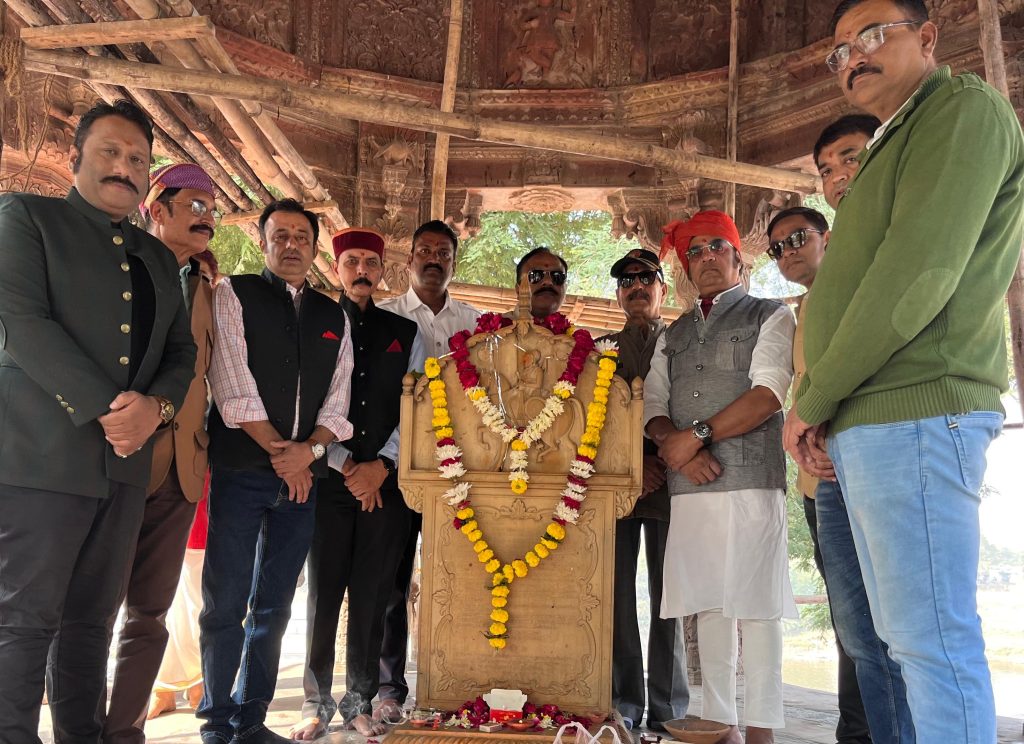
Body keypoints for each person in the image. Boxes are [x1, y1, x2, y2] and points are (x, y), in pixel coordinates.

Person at [785, 1, 1024, 741]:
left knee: (931, 641)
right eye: (839, 51)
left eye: (870, 35)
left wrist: (815, 398)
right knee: (902, 639)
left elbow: (918, 277)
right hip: (877, 415)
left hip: (915, 408)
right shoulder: (897, 138)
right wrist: (826, 405)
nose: (852, 57)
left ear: (927, 37)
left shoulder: (959, 110)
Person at [0, 99, 197, 744]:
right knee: (25, 621)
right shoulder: (27, 217)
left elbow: (181, 354)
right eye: (110, 151)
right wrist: (113, 411)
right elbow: (22, 324)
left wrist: (155, 410)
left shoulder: (158, 258)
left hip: (125, 467)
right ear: (75, 157)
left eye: (138, 159)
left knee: (91, 623)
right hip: (41, 458)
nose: (124, 166)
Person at [199, 199, 354, 744]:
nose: (291, 246)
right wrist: (285, 455)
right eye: (280, 236)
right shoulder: (234, 294)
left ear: (314, 247)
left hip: (303, 480)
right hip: (242, 470)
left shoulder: (334, 316)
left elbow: (339, 402)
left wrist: (307, 454)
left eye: (301, 237)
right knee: (225, 601)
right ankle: (217, 721)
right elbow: (231, 384)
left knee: (275, 604)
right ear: (263, 242)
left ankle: (251, 718)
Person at [646, 211, 796, 744]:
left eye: (717, 247)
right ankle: (719, 723)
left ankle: (762, 730)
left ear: (738, 258)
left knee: (757, 607)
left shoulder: (770, 314)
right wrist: (680, 452)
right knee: (706, 604)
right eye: (695, 251)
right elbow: (653, 405)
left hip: (752, 480)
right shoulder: (673, 333)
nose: (706, 257)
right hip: (691, 487)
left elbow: (768, 394)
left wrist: (696, 436)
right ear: (686, 267)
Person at [767, 203, 913, 744]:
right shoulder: (802, 310)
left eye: (797, 238)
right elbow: (803, 388)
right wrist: (803, 438)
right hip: (819, 485)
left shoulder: (865, 287)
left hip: (869, 472)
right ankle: (859, 732)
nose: (787, 251)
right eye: (777, 247)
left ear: (827, 237)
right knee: (854, 630)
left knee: (898, 626)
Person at [103, 163, 220, 744]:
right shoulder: (115, 268)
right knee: (91, 610)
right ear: (157, 208)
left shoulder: (208, 290)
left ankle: (123, 731)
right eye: (195, 205)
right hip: (114, 461)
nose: (207, 217)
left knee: (150, 614)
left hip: (183, 472)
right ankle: (81, 728)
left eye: (212, 209)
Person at [293, 228, 425, 741]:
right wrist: (346, 463)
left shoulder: (405, 332)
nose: (361, 270)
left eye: (371, 261)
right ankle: (315, 701)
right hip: (328, 479)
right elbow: (304, 401)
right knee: (323, 591)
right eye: (352, 261)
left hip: (384, 486)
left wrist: (381, 467)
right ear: (336, 268)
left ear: (382, 269)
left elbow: (417, 407)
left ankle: (359, 702)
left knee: (374, 593)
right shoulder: (315, 324)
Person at [377, 220, 478, 711]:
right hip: (396, 470)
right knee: (391, 581)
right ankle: (388, 690)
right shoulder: (384, 317)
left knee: (458, 579)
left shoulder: (477, 324)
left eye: (443, 251)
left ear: (455, 261)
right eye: (425, 250)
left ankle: (455, 685)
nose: (433, 258)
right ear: (409, 259)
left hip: (460, 475)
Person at [603, 248, 689, 732]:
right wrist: (633, 467)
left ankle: (668, 709)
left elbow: (694, 405)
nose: (636, 287)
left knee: (668, 598)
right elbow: (589, 420)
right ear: (618, 294)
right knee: (615, 596)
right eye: (627, 281)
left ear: (662, 288)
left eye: (645, 278)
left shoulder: (683, 342)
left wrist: (660, 462)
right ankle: (625, 703)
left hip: (673, 482)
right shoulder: (597, 349)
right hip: (615, 486)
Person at [514, 246, 568, 318]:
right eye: (535, 275)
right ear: (518, 290)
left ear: (565, 289)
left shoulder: (568, 325)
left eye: (557, 276)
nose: (548, 281)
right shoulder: (501, 325)